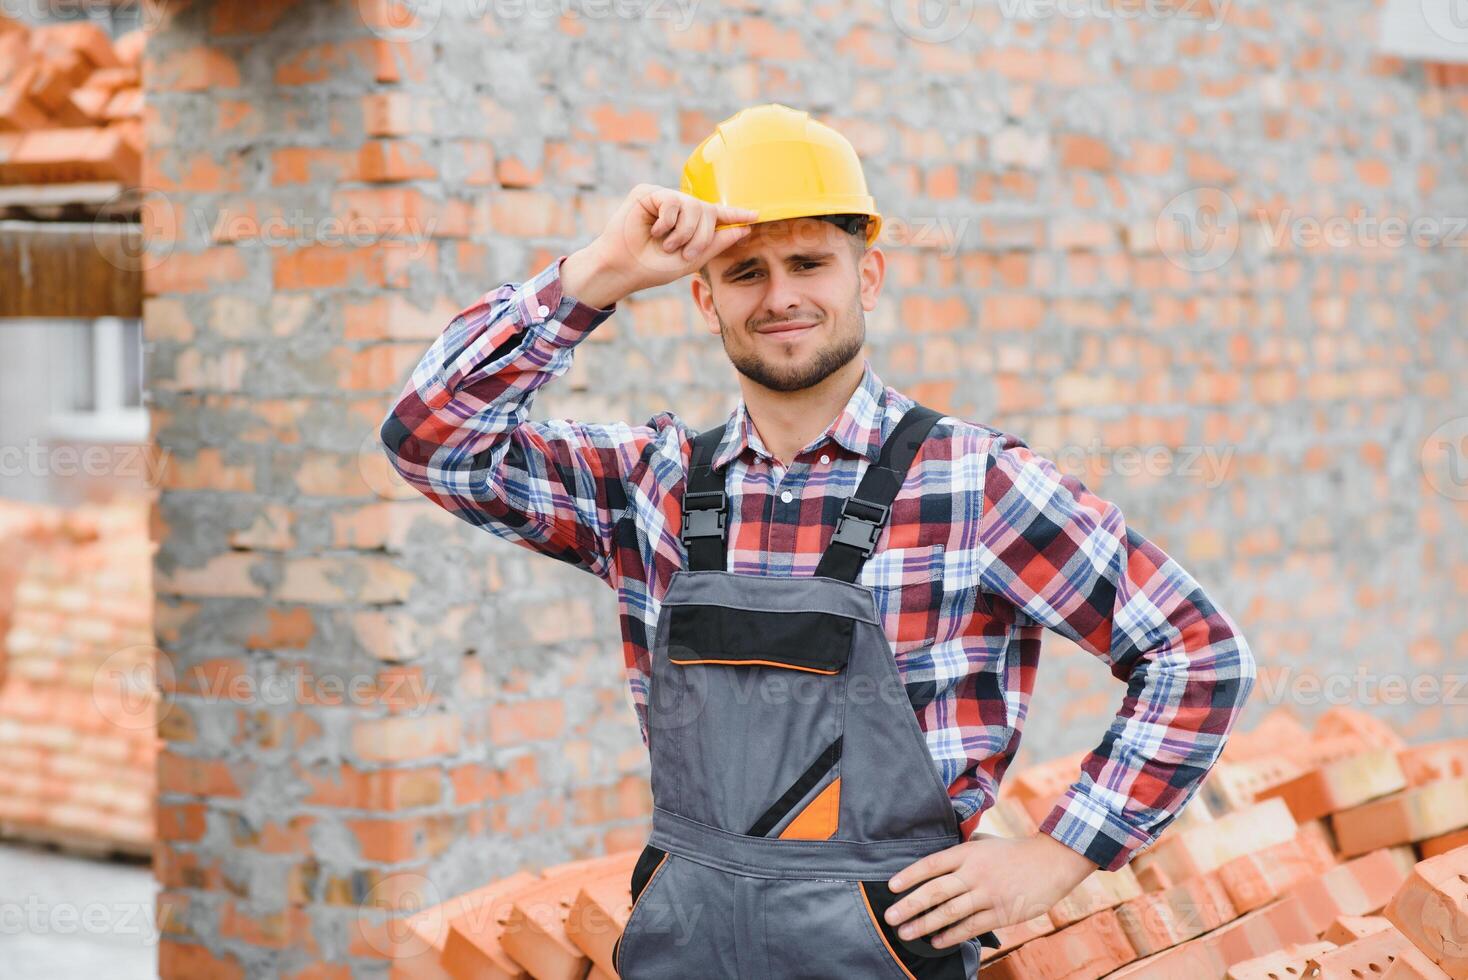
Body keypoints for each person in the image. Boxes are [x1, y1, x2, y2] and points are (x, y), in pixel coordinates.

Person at [380, 103, 1256, 979]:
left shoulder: (973, 482)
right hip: (687, 952)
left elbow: (1196, 653)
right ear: (702, 296)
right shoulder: (651, 483)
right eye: (745, 271)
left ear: (867, 275)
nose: (781, 296)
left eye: (809, 262)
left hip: (885, 955)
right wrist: (597, 273)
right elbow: (429, 438)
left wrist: (1060, 856)